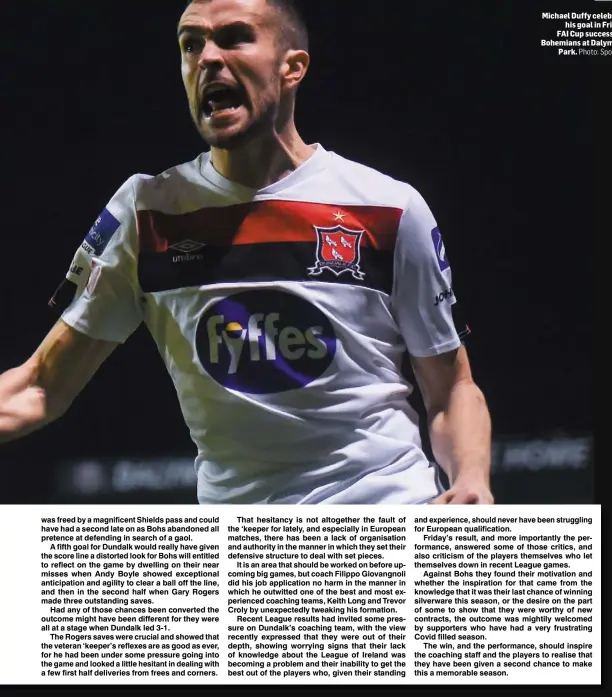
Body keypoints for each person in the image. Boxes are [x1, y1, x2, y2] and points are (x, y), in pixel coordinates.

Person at [0, 0, 493, 506]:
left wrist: (472, 478)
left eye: (234, 38)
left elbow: (451, 389)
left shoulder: (387, 208)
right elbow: (39, 387)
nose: (207, 57)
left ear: (292, 67)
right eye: (191, 44)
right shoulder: (148, 213)